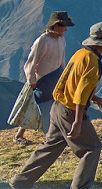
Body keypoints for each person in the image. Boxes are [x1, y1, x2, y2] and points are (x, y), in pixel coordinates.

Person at [10, 21, 102, 189]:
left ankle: (21, 181)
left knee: (51, 145)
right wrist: (77, 122)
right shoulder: (93, 62)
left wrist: (94, 97)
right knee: (91, 149)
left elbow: (68, 80)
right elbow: (80, 93)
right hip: (71, 111)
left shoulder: (81, 54)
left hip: (58, 107)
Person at [12, 11, 75, 144]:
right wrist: (32, 80)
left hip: (56, 76)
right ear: (55, 25)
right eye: (63, 26)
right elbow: (31, 62)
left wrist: (63, 75)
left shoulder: (61, 39)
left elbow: (61, 58)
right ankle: (21, 135)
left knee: (49, 106)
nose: (65, 29)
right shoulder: (42, 40)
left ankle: (52, 133)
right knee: (34, 106)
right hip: (41, 79)